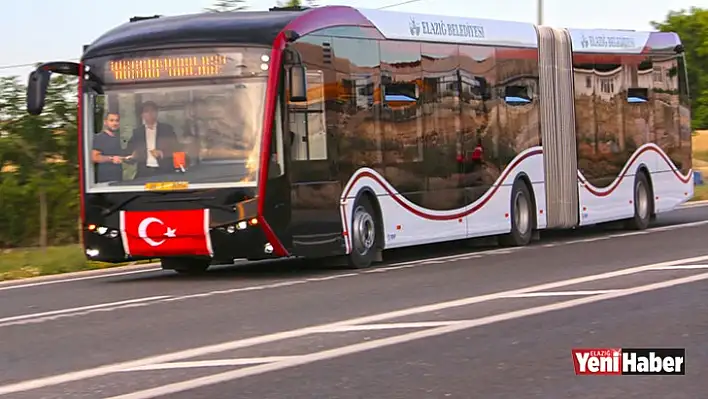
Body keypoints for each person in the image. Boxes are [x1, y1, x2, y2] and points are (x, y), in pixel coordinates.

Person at [126, 101, 181, 178]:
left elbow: (177, 148)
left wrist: (162, 153)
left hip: (164, 171)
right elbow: (129, 151)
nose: (150, 113)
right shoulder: (138, 132)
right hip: (144, 172)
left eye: (153, 110)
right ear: (142, 115)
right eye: (146, 111)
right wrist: (133, 155)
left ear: (157, 113)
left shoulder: (167, 129)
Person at [92, 112, 126, 183]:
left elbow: (118, 156)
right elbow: (94, 157)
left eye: (117, 120)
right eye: (111, 120)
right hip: (105, 181)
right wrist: (111, 159)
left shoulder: (118, 139)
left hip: (118, 180)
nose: (115, 123)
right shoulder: (99, 137)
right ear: (105, 122)